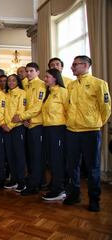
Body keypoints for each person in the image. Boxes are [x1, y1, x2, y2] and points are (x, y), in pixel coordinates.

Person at [63, 55, 111, 212]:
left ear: (85, 65)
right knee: (72, 166)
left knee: (92, 168)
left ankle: (94, 199)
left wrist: (97, 123)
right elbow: (67, 107)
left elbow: (106, 108)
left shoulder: (99, 84)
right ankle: (74, 194)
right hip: (71, 131)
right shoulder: (70, 86)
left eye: (75, 64)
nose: (72, 67)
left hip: (90, 131)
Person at [12, 62, 46, 196]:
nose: (28, 73)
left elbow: (37, 107)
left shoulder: (41, 85)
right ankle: (36, 181)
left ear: (37, 72)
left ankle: (35, 185)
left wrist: (21, 117)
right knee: (31, 156)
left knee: (37, 157)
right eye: (27, 71)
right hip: (27, 124)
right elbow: (24, 105)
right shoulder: (26, 85)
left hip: (37, 125)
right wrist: (24, 118)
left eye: (31, 71)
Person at [41, 68, 68, 201]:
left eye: (47, 77)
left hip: (58, 129)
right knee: (50, 160)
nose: (45, 79)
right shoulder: (49, 93)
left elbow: (69, 111)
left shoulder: (63, 92)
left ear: (55, 78)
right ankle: (55, 186)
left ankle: (60, 189)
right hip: (47, 129)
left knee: (57, 160)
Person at [2, 74, 27, 192]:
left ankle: (22, 181)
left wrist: (10, 126)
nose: (11, 82)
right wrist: (2, 124)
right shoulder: (5, 95)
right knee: (10, 155)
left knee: (19, 155)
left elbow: (20, 112)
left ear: (18, 81)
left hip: (17, 128)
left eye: (13, 80)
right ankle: (14, 179)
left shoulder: (22, 93)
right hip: (5, 128)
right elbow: (1, 111)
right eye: (9, 81)